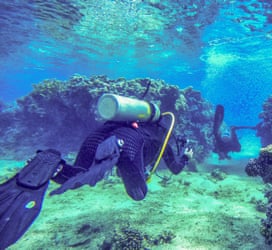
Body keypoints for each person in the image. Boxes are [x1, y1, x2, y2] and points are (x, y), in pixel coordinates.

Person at [0, 94, 192, 249]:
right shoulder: (161, 139)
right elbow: (175, 169)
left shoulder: (128, 121)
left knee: (78, 172)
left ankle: (55, 165)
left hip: (100, 134)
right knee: (138, 194)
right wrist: (185, 156)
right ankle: (117, 147)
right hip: (129, 144)